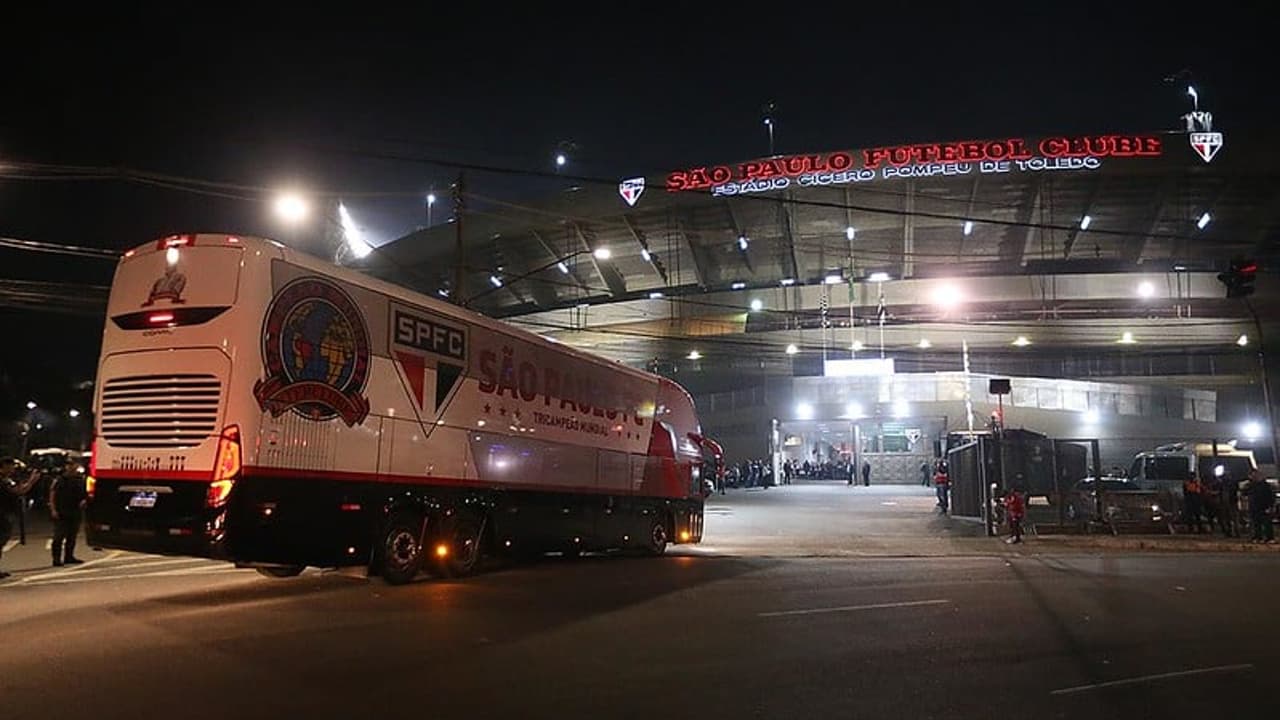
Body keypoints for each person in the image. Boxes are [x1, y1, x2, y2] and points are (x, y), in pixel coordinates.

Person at [1, 458, 41, 580]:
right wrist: (31, 481)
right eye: (11, 466)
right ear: (5, 466)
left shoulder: (7, 479)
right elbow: (19, 491)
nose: (13, 469)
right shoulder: (3, 480)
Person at [49, 458, 88, 567]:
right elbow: (52, 494)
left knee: (72, 536)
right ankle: (56, 559)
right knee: (58, 536)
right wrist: (53, 509)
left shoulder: (80, 479)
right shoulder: (59, 480)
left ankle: (69, 557)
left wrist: (84, 501)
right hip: (61, 511)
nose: (71, 467)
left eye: (73, 464)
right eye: (69, 465)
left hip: (75, 511)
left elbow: (85, 494)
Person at [1246, 469, 1275, 544]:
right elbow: (1248, 495)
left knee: (1267, 523)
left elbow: (1270, 496)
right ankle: (1258, 537)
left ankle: (1269, 538)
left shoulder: (1265, 485)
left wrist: (1270, 506)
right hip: (1254, 508)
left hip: (1264, 507)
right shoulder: (1251, 485)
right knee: (1256, 524)